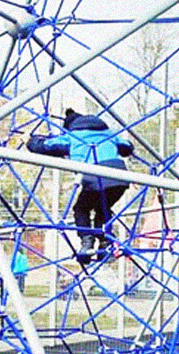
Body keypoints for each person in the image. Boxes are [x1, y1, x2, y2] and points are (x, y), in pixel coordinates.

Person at [27, 108, 134, 262]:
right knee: (102, 209)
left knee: (81, 209)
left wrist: (29, 141)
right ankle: (105, 243)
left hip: (95, 177)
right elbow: (127, 147)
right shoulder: (109, 134)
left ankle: (87, 241)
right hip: (119, 178)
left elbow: (46, 146)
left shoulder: (72, 136)